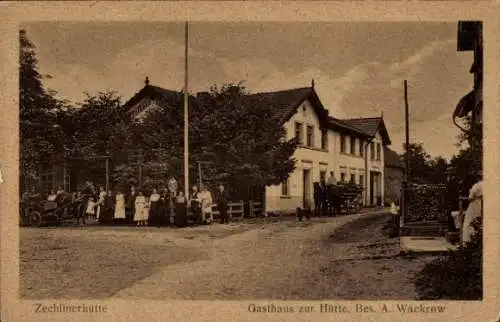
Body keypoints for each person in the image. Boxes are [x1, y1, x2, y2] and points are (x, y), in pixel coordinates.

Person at [462, 172, 483, 246]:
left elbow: (470, 198)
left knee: (469, 221)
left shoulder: (476, 185)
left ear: (477, 178)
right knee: (480, 220)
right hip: (484, 203)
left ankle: (468, 240)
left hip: (475, 204)